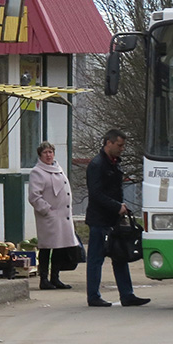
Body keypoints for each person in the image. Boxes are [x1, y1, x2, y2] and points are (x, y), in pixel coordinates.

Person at [85, 129, 150, 307]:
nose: (122, 149)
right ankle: (93, 296)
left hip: (113, 218)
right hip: (99, 219)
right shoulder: (97, 165)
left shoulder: (114, 164)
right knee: (96, 258)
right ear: (109, 143)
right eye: (119, 145)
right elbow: (96, 193)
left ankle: (127, 294)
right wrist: (117, 206)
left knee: (120, 255)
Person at [27, 141, 77, 290]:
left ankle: (55, 278)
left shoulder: (58, 168)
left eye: (50, 152)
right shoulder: (37, 172)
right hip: (49, 217)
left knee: (59, 247)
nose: (48, 155)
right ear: (40, 155)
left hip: (62, 216)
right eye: (45, 153)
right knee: (46, 247)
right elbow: (34, 196)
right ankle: (44, 279)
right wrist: (47, 210)